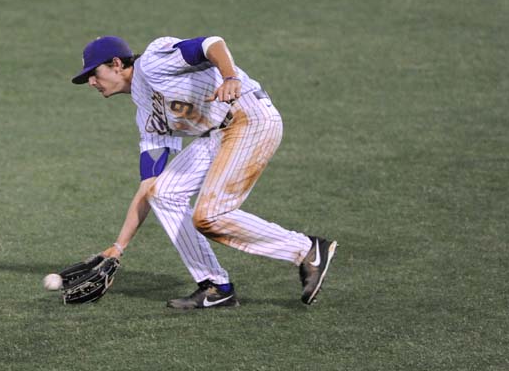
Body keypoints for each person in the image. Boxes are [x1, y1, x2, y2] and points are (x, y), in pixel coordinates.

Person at [71, 35, 337, 309]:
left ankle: (306, 250)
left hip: (250, 117)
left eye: (93, 73)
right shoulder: (147, 116)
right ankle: (215, 286)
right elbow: (148, 183)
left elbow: (211, 43)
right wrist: (119, 247)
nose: (91, 82)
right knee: (162, 193)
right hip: (217, 135)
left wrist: (230, 78)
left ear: (116, 63)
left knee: (209, 216)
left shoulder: (152, 63)